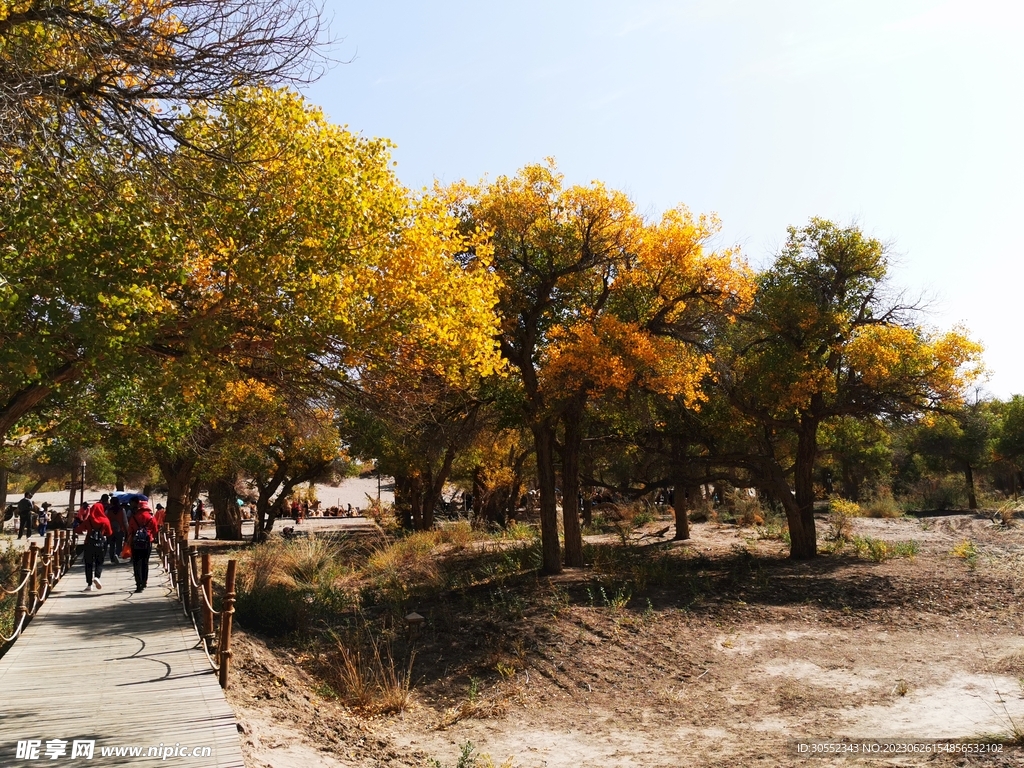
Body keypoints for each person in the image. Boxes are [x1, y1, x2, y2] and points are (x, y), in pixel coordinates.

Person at [78, 500, 112, 591]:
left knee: (88, 564)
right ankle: (97, 577)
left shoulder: (89, 519)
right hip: (101, 544)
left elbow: (80, 529)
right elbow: (109, 533)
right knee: (99, 562)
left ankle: (89, 585)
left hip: (89, 543)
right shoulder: (105, 520)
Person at [126, 500, 159, 592]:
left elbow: (130, 530)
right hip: (147, 542)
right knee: (145, 562)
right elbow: (155, 530)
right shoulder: (151, 517)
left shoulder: (134, 517)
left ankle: (138, 584)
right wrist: (151, 535)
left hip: (135, 542)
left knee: (136, 563)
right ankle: (144, 582)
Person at [105, 495, 128, 564]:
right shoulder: (122, 510)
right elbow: (125, 521)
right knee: (119, 545)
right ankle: (117, 554)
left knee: (111, 545)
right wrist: (127, 529)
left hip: (110, 530)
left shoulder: (108, 511)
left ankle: (112, 558)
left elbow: (105, 520)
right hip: (119, 530)